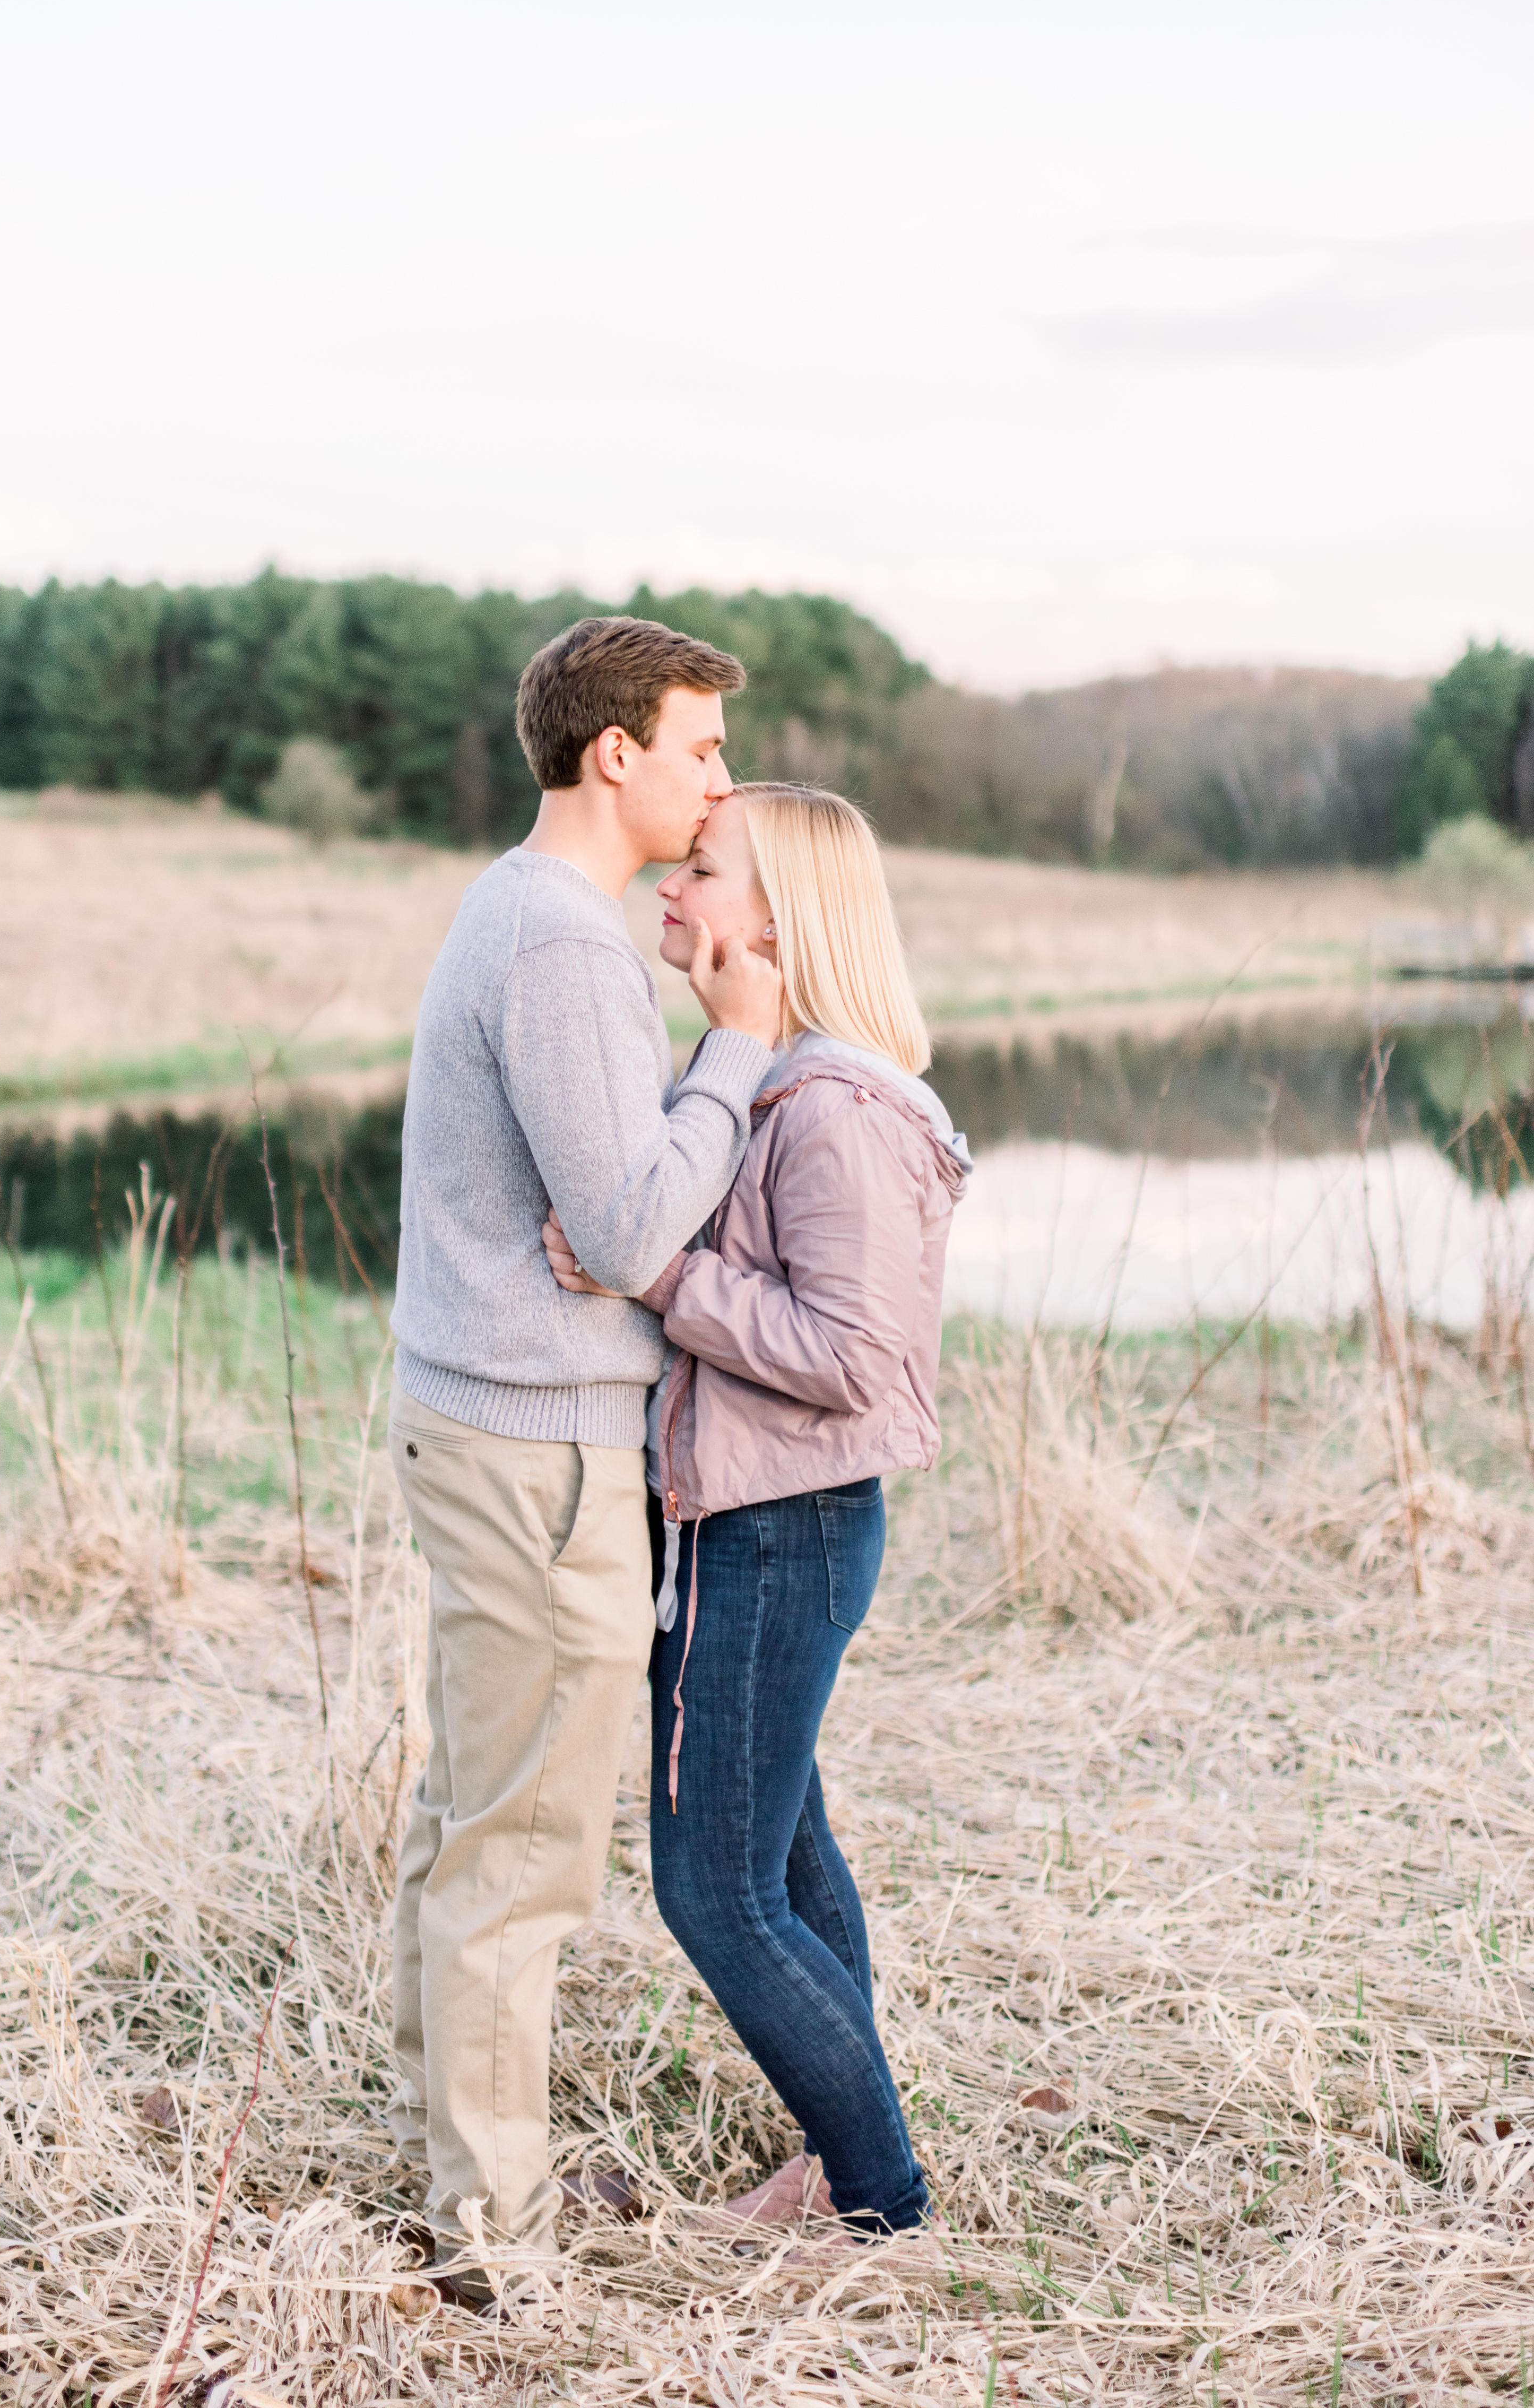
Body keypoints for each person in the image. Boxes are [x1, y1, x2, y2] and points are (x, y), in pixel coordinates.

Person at [386, 616, 784, 2299]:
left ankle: (459, 2175)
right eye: (699, 747)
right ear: (611, 752)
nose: (717, 779)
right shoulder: (558, 942)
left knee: (470, 1821)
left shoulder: (531, 914)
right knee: (521, 1856)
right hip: (535, 1452)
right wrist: (742, 1050)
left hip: (502, 1429)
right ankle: (496, 2242)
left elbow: (608, 1214)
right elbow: (625, 1228)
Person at [544, 782, 970, 2239]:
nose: (671, 886)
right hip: (763, 1523)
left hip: (777, 1530)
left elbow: (855, 1357)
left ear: (779, 922)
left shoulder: (835, 1107)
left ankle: (878, 2204)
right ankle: (842, 2165)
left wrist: (652, 1272)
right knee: (782, 1853)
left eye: (706, 872)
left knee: (715, 1892)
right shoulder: (778, 1079)